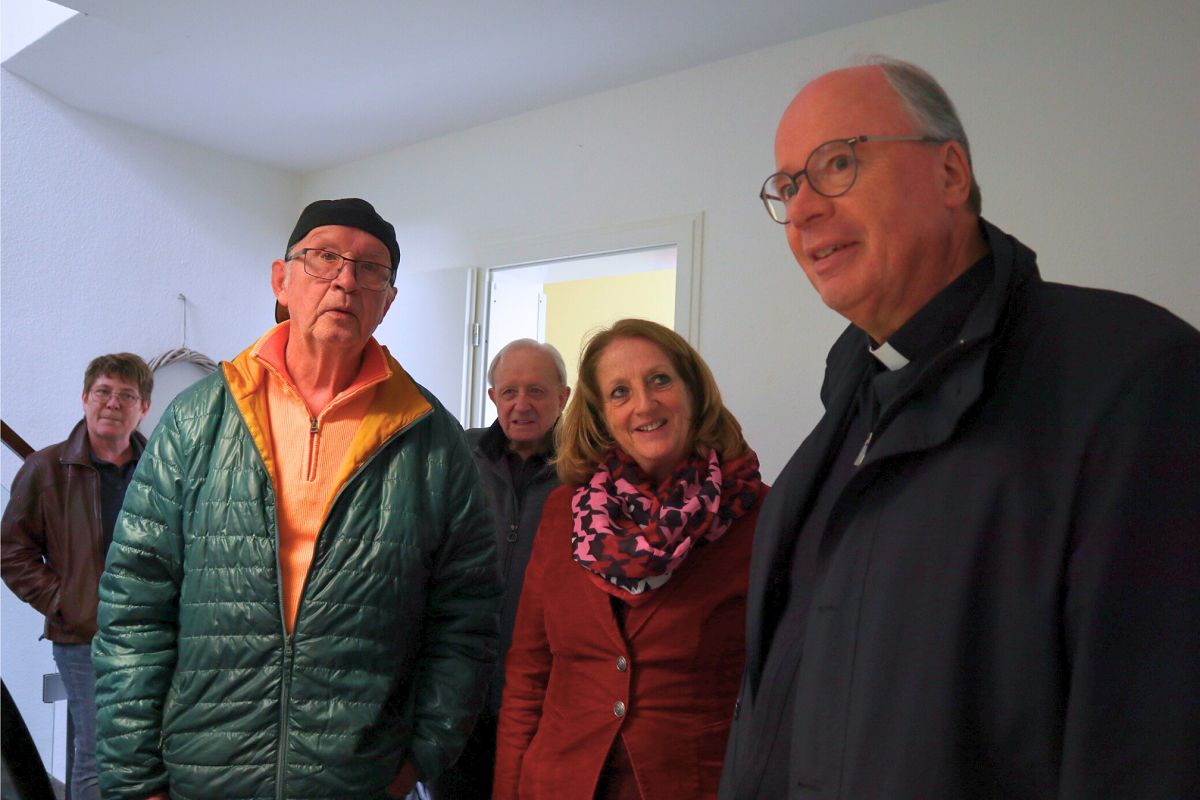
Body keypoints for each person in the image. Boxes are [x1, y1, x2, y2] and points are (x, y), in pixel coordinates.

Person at [720, 57, 1200, 799]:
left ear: (949, 172)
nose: (805, 206)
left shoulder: (1129, 377)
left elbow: (1148, 742)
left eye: (837, 163)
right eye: (787, 186)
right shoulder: (836, 430)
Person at [92, 198, 500, 800]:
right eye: (324, 257)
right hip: (201, 770)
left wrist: (419, 758)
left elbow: (465, 618)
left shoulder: (430, 437)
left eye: (370, 269)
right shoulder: (198, 419)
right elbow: (135, 604)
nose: (345, 280)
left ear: (387, 301)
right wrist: (135, 778)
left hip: (356, 776)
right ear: (281, 279)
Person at [495, 318, 768, 800]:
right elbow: (529, 672)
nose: (644, 404)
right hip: (558, 782)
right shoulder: (565, 512)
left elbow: (785, 681)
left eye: (660, 380)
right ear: (601, 414)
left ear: (694, 390)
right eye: (619, 392)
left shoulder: (758, 512)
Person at [2, 352, 153, 800]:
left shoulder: (161, 471)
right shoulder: (46, 470)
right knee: (97, 752)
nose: (113, 403)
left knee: (144, 747)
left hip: (151, 635)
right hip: (83, 637)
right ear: (85, 398)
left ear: (143, 408)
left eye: (127, 395)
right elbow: (12, 552)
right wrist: (66, 600)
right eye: (103, 391)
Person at [429, 339, 570, 799]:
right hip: (458, 699)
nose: (521, 404)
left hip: (550, 701)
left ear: (563, 397)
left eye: (536, 391)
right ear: (493, 398)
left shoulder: (590, 470)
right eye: (509, 392)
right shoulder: (457, 459)